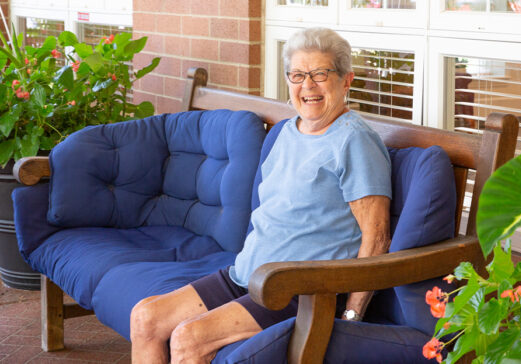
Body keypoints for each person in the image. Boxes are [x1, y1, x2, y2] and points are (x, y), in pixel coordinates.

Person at [129, 27, 392, 363]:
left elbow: (377, 236)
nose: (307, 86)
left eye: (320, 74)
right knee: (145, 317)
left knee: (188, 338)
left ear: (346, 80)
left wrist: (353, 315)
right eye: (297, 75)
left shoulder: (354, 140)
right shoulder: (288, 130)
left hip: (299, 289)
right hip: (248, 274)